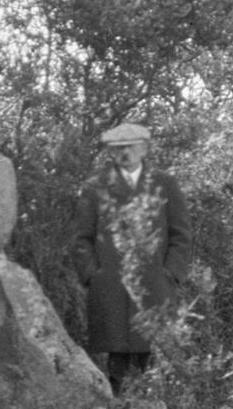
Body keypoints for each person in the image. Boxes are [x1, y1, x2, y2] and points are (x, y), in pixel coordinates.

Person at [70, 123, 192, 394]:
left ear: (144, 148)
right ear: (111, 153)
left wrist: (170, 273)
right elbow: (81, 239)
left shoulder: (164, 184)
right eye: (118, 149)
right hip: (111, 285)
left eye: (131, 147)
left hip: (154, 284)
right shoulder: (96, 188)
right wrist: (93, 274)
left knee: (154, 352)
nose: (125, 153)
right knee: (117, 353)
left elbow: (181, 235)